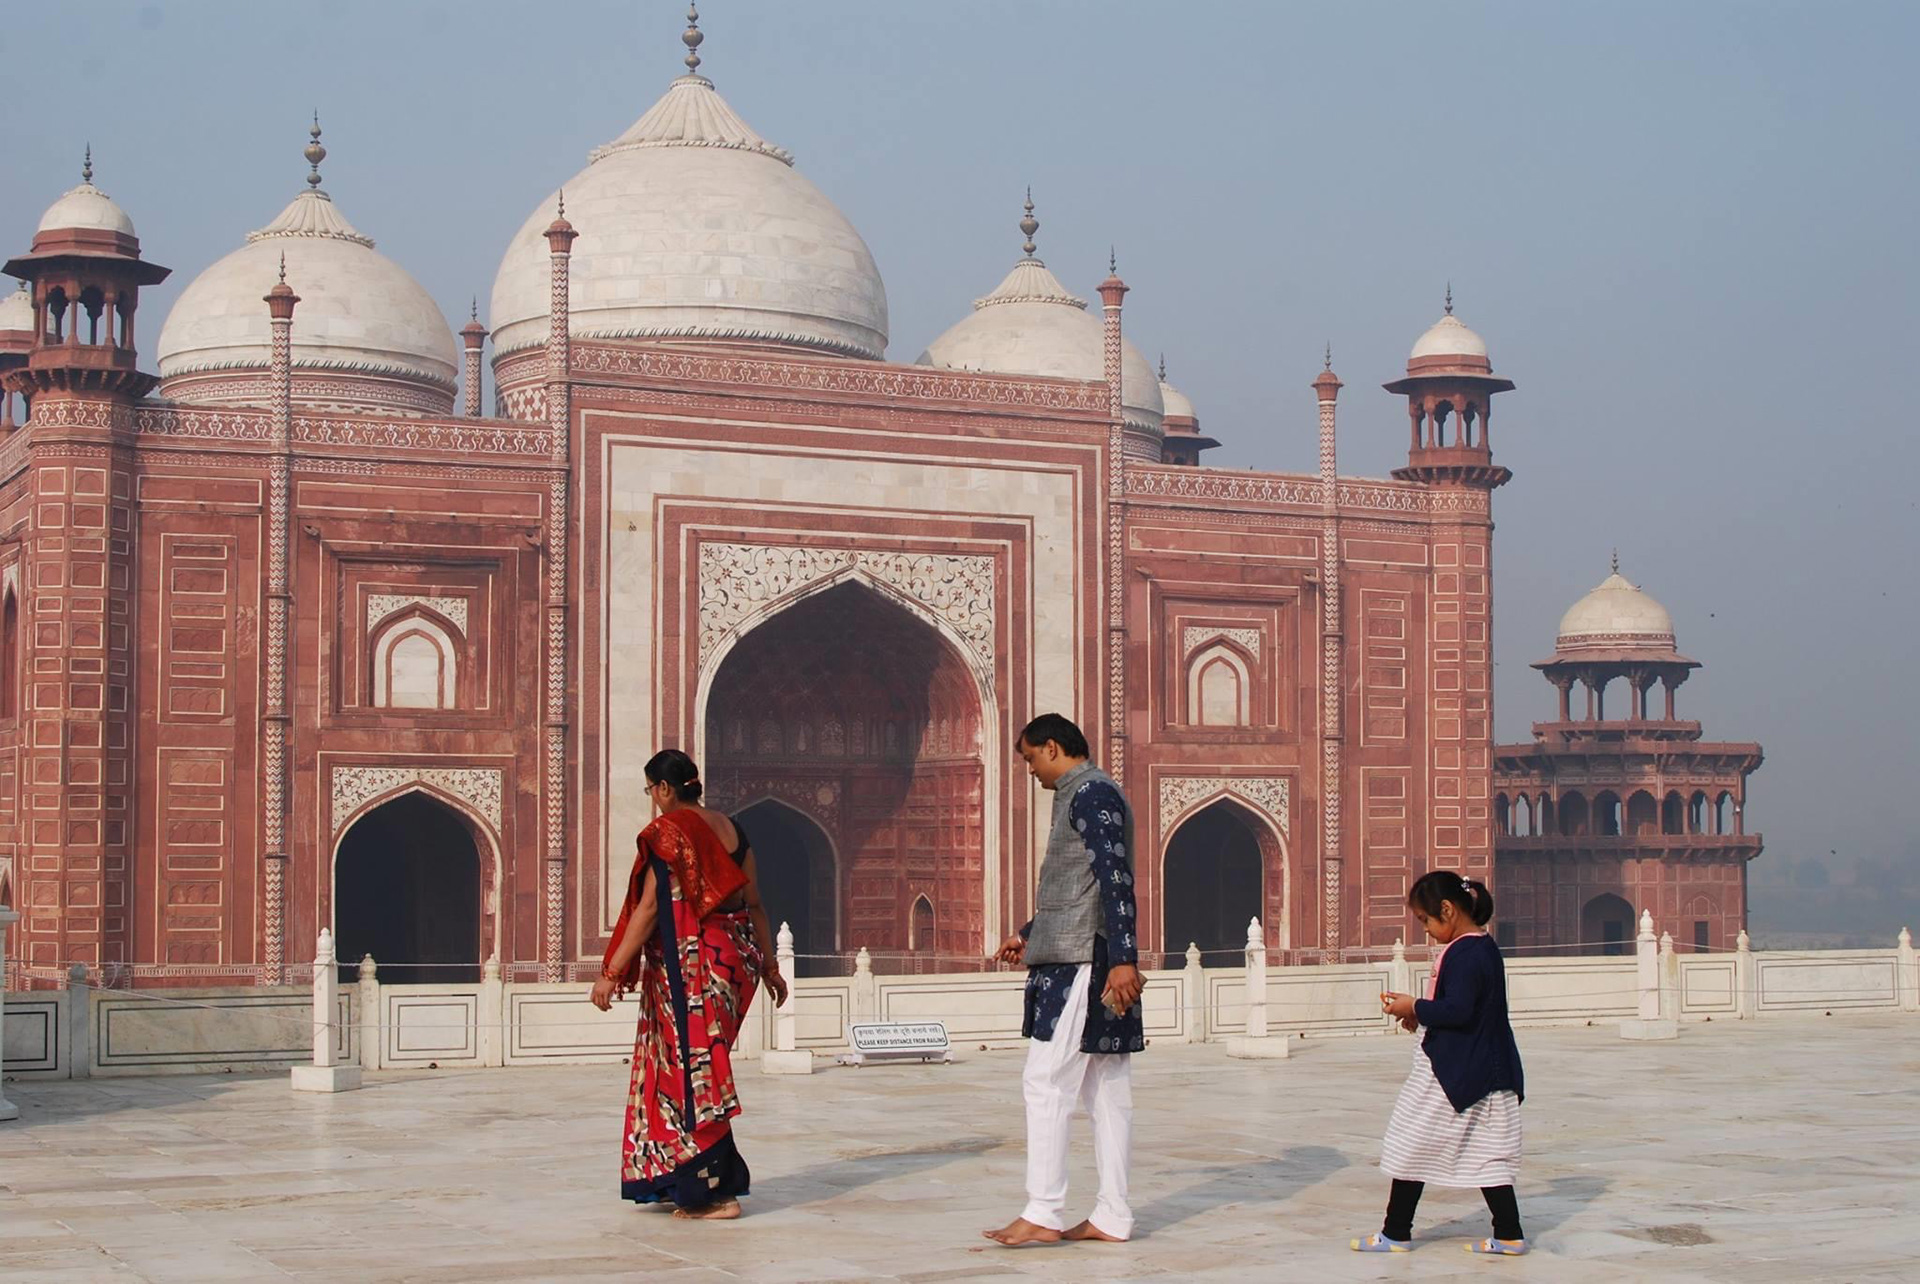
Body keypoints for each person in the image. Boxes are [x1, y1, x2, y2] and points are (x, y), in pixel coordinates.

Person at [589, 749, 790, 1220]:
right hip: (733, 962)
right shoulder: (734, 830)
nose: (653, 801)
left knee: (695, 1073)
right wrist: (769, 965)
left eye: (651, 791)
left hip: (693, 963)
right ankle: (682, 1176)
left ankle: (714, 1193)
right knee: (699, 1069)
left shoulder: (669, 832)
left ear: (663, 788)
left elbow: (651, 909)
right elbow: (755, 903)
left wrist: (612, 971)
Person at [984, 713, 1143, 1247]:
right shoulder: (1086, 793)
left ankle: (1044, 1211)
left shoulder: (1091, 793)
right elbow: (1079, 885)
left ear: (1052, 748)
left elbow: (1114, 879)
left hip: (1083, 961)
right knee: (1105, 1091)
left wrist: (1123, 958)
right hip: (1087, 950)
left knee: (1047, 1081)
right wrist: (1031, 932)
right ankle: (1112, 1215)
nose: (1030, 770)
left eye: (1030, 758)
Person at [1354, 870, 1527, 1256]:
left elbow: (1461, 1010)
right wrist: (1421, 1013)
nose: (1426, 930)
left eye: (1426, 920)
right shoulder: (1480, 947)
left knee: (1411, 1142)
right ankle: (1509, 1233)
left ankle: (1396, 1232)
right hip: (1481, 1068)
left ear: (1447, 910)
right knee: (1487, 1152)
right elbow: (1464, 1009)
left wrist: (1414, 1006)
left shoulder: (1467, 953)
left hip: (1455, 1072)